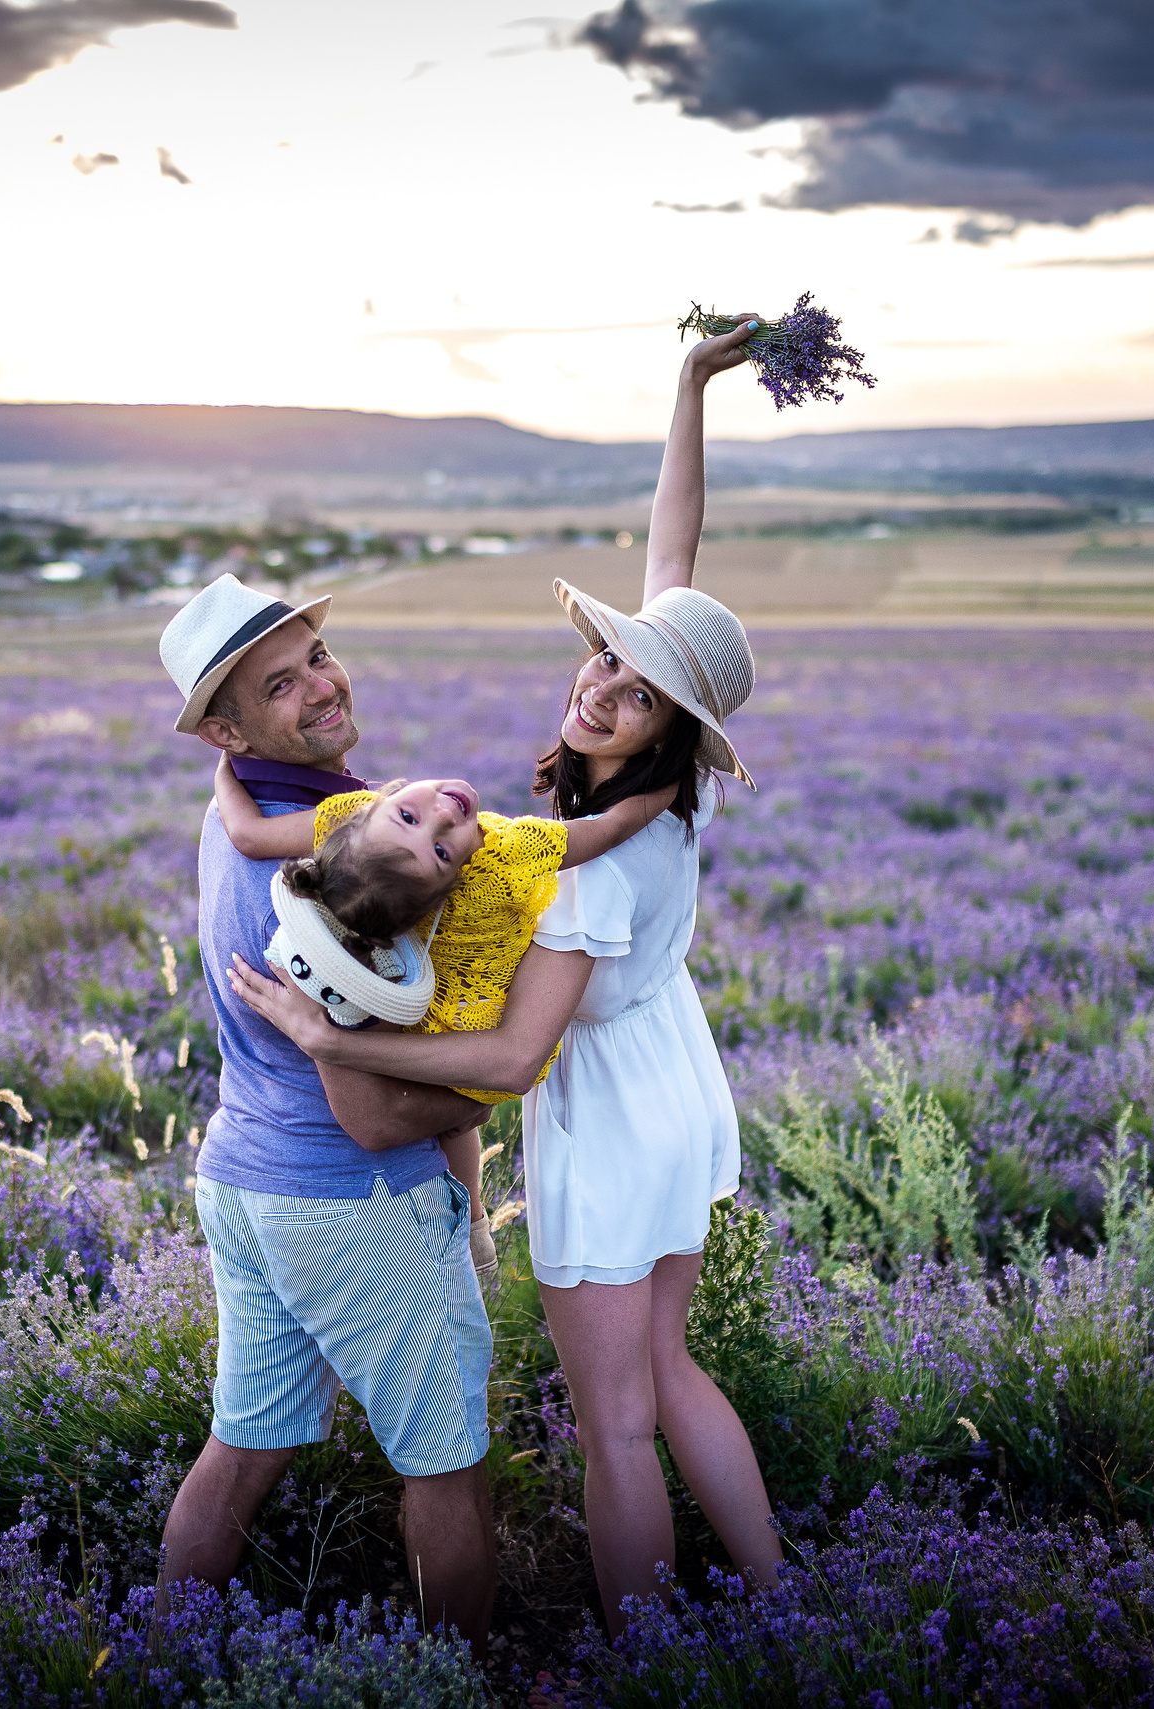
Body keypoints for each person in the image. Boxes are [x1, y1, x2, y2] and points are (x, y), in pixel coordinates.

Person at [225, 315, 786, 1633]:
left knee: (616, 1424)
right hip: (675, 1082)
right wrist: (692, 387)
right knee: (668, 1364)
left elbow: (509, 1062)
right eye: (607, 657)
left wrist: (334, 1039)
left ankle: (652, 1655)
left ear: (669, 729)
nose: (601, 684)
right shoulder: (662, 801)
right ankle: (781, 1595)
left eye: (638, 692)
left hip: (608, 1109)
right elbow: (674, 553)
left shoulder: (581, 873)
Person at [151, 573, 497, 1646]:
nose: (320, 687)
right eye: (278, 682)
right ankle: (461, 1672)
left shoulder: (249, 815)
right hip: (352, 1205)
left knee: (243, 1448)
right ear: (226, 725)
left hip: (244, 1181)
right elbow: (375, 1116)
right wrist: (492, 1091)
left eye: (317, 657)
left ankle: (159, 1654)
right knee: (450, 1466)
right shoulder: (332, 869)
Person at [210, 757, 676, 1279]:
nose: (442, 816)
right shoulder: (507, 851)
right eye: (439, 849)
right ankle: (472, 1228)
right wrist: (672, 785)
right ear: (446, 884)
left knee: (454, 1128)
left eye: (410, 819)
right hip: (459, 1031)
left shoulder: (358, 822)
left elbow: (248, 834)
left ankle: (472, 1224)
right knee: (457, 1121)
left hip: (438, 1028)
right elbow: (610, 827)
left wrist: (223, 774)